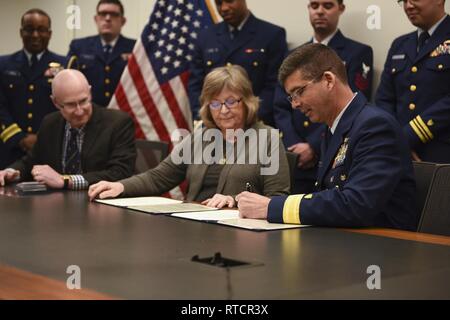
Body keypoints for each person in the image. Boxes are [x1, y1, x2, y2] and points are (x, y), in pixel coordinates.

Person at [237, 44, 418, 231]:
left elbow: (357, 205)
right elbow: (326, 198)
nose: (295, 104)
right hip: (343, 241)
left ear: (328, 80)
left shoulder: (376, 126)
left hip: (385, 248)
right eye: (291, 97)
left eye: (299, 92)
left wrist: (271, 207)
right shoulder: (334, 128)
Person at [89, 65, 290, 208]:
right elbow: (159, 177)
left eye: (231, 101)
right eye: (215, 103)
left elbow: (277, 197)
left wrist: (234, 200)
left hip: (242, 232)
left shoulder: (267, 138)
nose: (223, 110)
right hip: (194, 225)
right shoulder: (200, 137)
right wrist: (120, 185)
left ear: (247, 102)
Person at [272, 0, 374, 194]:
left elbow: (345, 106)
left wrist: (312, 146)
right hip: (295, 155)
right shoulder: (292, 55)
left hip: (328, 150)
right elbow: (280, 106)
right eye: (314, 5)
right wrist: (294, 147)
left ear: (340, 9)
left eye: (327, 6)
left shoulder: (356, 52)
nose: (320, 11)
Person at [0, 69, 136, 190]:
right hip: (57, 205)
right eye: (70, 105)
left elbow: (120, 172)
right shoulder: (50, 123)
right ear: (55, 102)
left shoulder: (118, 123)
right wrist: (12, 172)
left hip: (100, 205)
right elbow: (32, 161)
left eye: (83, 101)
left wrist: (66, 180)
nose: (79, 111)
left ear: (90, 92)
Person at [188, 0, 287, 127]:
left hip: (256, 124)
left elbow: (275, 85)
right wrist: (208, 117)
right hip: (215, 127)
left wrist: (249, 117)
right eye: (219, 3)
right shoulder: (205, 37)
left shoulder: (272, 34)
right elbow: (196, 86)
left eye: (229, 1)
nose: (224, 8)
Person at [376, 0, 450, 163]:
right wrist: (395, 140)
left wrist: (407, 137)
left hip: (441, 153)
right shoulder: (400, 44)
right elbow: (384, 99)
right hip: (397, 154)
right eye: (403, 0)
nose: (408, 6)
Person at [0, 9, 67, 169]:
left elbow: (67, 108)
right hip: (10, 148)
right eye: (29, 29)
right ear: (21, 32)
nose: (35, 35)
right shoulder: (3, 65)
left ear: (49, 33)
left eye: (41, 30)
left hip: (50, 149)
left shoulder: (65, 65)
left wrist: (42, 139)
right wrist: (19, 138)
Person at [67, 0, 135, 107]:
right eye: (103, 14)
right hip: (88, 113)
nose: (107, 18)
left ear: (123, 21)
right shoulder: (79, 46)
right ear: (96, 19)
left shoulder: (135, 48)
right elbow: (70, 82)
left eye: (114, 14)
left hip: (124, 113)